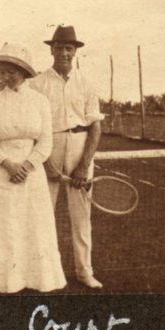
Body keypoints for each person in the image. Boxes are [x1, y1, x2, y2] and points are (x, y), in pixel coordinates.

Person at [0, 43, 66, 293]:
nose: (6, 76)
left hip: (31, 173)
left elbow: (45, 141)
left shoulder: (40, 101)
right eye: (2, 71)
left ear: (24, 72)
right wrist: (8, 164)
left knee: (31, 224)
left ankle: (34, 279)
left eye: (12, 70)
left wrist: (28, 164)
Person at [29, 26, 105, 289]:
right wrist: (45, 161)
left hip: (79, 147)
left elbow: (95, 126)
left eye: (68, 48)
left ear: (75, 51)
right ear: (52, 49)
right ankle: (42, 274)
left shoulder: (86, 82)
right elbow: (33, 127)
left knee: (81, 217)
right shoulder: (36, 83)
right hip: (48, 147)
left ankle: (84, 272)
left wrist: (83, 165)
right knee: (42, 215)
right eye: (59, 47)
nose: (64, 52)